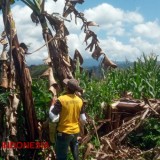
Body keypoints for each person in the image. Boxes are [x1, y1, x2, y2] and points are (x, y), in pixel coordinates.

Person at [49, 78, 87, 160]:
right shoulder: (80, 101)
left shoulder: (61, 99)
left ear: (67, 88)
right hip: (75, 132)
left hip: (64, 132)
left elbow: (52, 117)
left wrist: (52, 104)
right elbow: (83, 119)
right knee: (76, 155)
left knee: (61, 157)